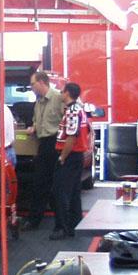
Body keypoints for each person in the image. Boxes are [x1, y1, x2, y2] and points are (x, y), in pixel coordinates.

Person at [20, 71, 65, 231]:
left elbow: (67, 120)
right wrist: (33, 127)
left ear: (41, 82)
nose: (31, 87)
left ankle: (61, 224)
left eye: (32, 84)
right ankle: (34, 220)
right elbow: (36, 121)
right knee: (39, 183)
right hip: (43, 144)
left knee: (57, 185)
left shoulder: (58, 98)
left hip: (56, 143)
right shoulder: (38, 103)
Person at [49, 82, 90, 240]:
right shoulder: (78, 109)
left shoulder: (73, 111)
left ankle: (62, 227)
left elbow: (71, 137)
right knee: (73, 193)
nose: (60, 93)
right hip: (75, 157)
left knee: (60, 193)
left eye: (62, 91)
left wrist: (62, 157)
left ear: (67, 93)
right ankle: (74, 225)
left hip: (70, 156)